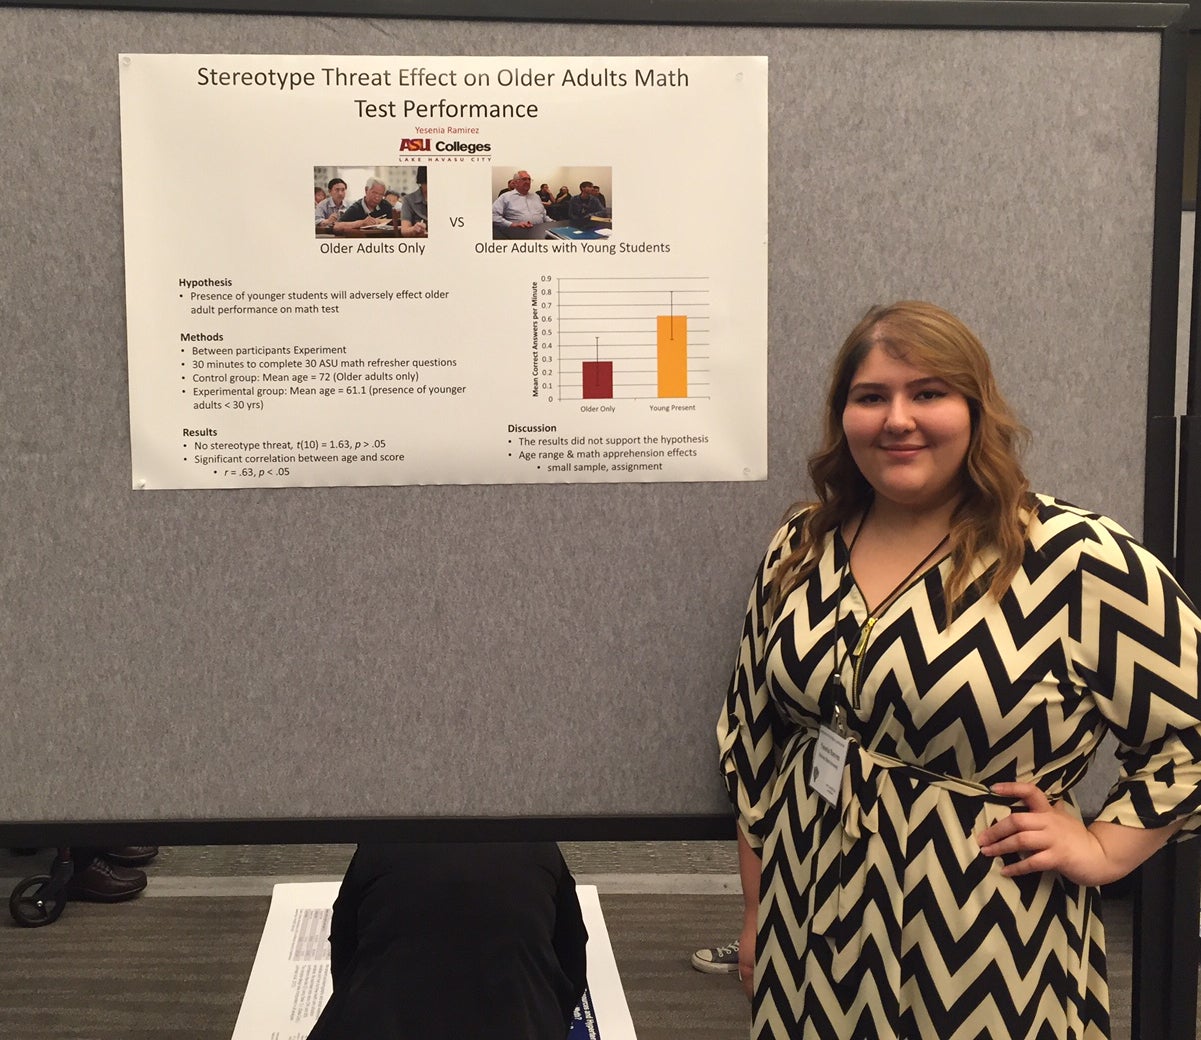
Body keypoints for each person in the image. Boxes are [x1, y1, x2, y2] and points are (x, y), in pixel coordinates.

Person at [718, 300, 1201, 1039]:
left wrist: (1103, 849)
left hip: (982, 931)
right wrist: (758, 917)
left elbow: (1190, 734)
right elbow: (755, 747)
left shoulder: (1070, 558)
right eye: (870, 397)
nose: (897, 419)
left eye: (928, 393)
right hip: (809, 920)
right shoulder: (801, 545)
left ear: (976, 411)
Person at [306, 842, 587, 1040]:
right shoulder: (538, 842)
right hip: (518, 1025)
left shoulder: (381, 839)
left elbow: (343, 945)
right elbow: (573, 956)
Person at [492, 170, 549, 235]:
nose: (528, 182)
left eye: (529, 179)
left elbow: (544, 215)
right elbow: (493, 216)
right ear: (515, 182)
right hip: (517, 233)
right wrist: (513, 225)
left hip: (540, 232)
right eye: (524, 179)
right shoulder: (505, 197)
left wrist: (553, 223)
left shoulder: (536, 197)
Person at [399, 165, 428, 238]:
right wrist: (414, 229)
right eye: (426, 183)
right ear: (421, 183)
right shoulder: (409, 200)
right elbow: (404, 230)